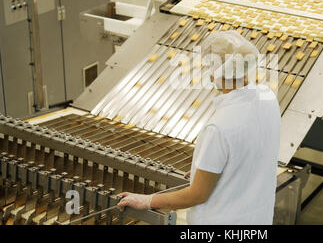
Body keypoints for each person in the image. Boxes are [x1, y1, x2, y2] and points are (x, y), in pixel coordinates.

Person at [117, 30, 281, 225]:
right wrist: (206, 169)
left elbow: (197, 195)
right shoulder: (267, 97)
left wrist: (147, 200)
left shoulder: (218, 127)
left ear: (215, 71)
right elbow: (253, 149)